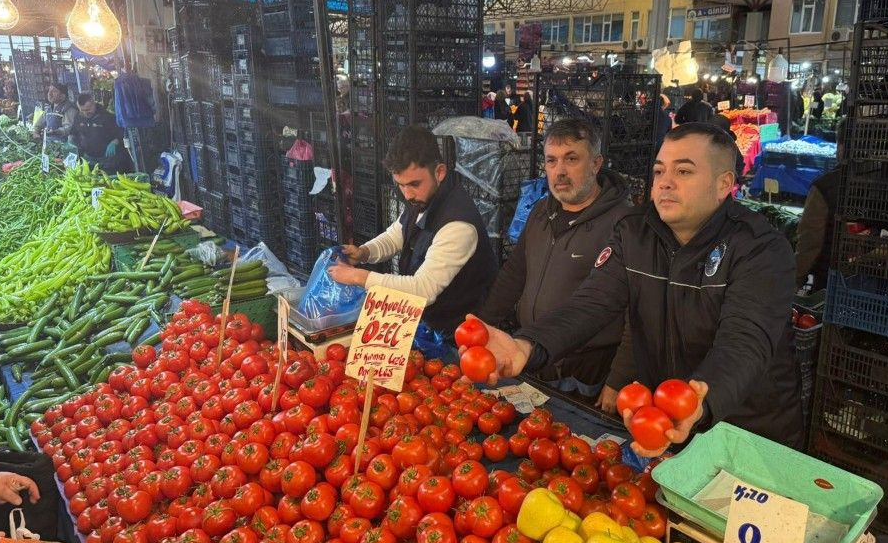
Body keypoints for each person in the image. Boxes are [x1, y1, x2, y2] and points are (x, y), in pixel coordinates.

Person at [472, 122, 804, 453]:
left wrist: (700, 399)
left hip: (749, 429)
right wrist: (528, 345)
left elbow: (745, 342)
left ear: (724, 185)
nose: (666, 183)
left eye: (684, 172)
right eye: (659, 172)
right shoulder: (634, 233)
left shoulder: (760, 249)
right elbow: (591, 303)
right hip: (665, 421)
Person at [475, 118, 633, 397]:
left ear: (596, 163)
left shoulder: (624, 224)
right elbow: (514, 274)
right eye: (551, 161)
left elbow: (636, 311)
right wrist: (482, 328)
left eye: (571, 159)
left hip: (588, 370)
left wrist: (618, 379)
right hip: (536, 357)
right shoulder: (540, 212)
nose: (559, 171)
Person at [327, 126, 498, 337]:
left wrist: (359, 277)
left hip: (461, 334)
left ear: (440, 172)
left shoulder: (458, 226)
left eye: (414, 184)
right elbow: (396, 234)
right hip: (431, 325)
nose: (407, 194)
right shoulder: (425, 198)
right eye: (400, 185)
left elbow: (422, 290)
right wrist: (364, 252)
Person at [795, 117, 846, 291]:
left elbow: (810, 244)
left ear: (841, 147)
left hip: (830, 281)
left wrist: (795, 280)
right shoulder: (887, 182)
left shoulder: (826, 186)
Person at [73, 93, 132, 174]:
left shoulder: (107, 116)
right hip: (89, 159)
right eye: (82, 110)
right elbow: (73, 132)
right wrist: (71, 140)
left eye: (88, 109)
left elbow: (122, 132)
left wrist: (115, 142)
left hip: (108, 160)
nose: (85, 113)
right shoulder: (78, 117)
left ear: (93, 104)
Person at [31, 83, 76, 153]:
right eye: (49, 90)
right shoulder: (49, 108)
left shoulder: (68, 109)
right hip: (49, 146)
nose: (49, 94)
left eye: (54, 91)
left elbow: (69, 128)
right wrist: (36, 132)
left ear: (62, 96)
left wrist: (56, 131)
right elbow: (39, 123)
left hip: (62, 148)